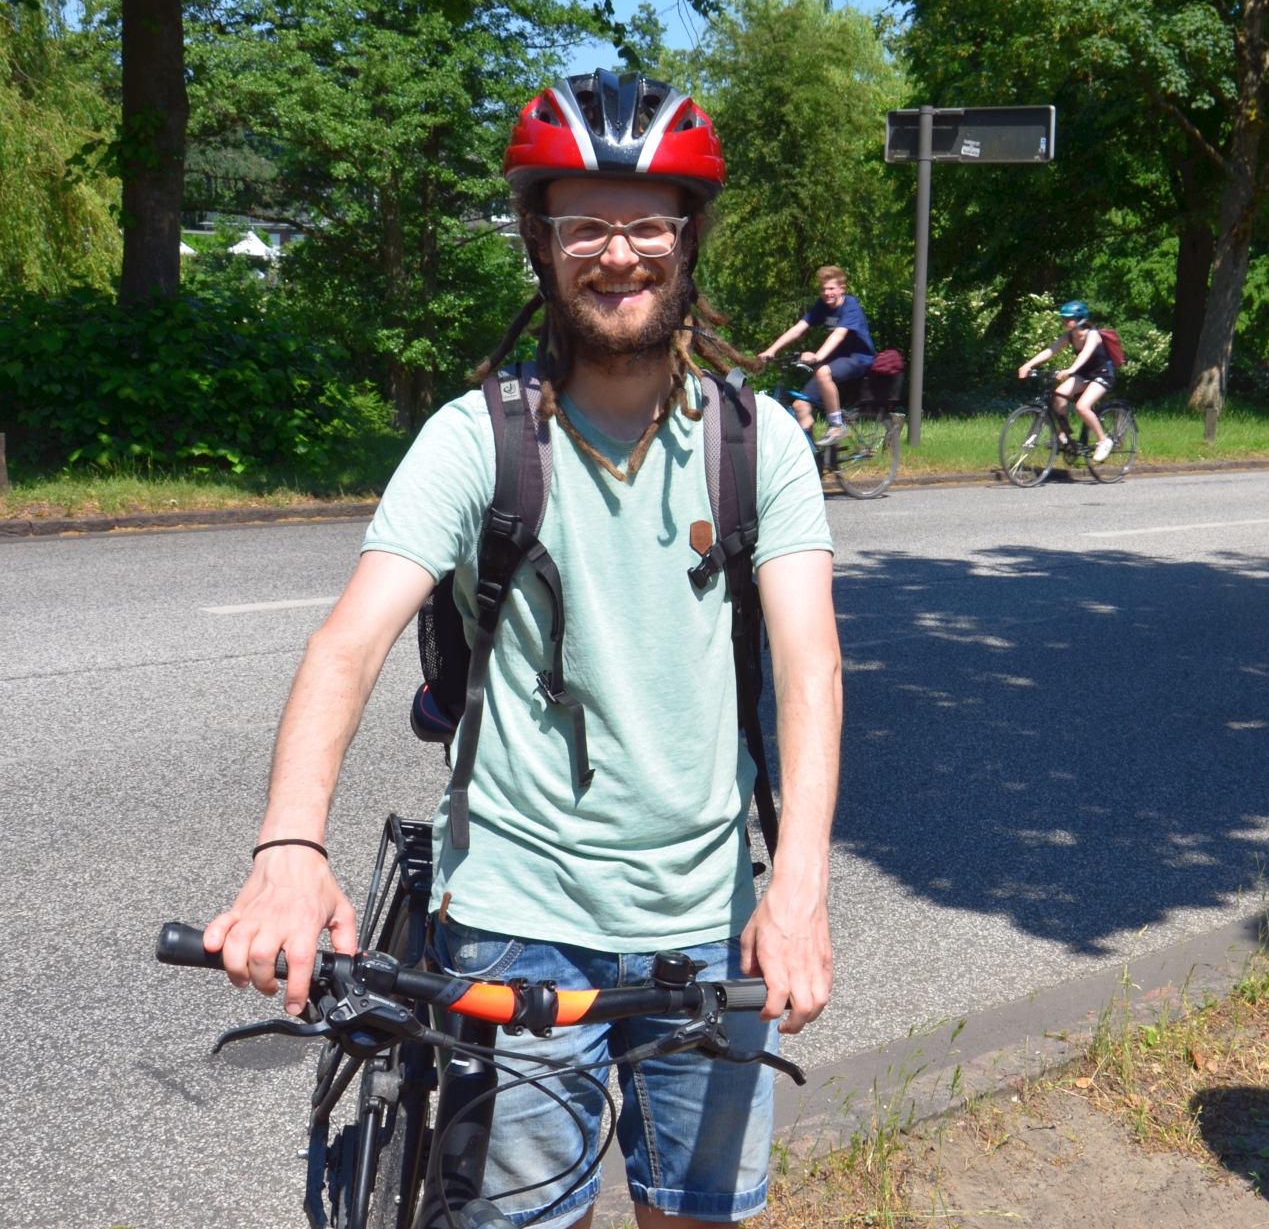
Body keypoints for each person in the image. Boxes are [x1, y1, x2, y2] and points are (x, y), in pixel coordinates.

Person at [202, 70, 842, 1228]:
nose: (617, 253)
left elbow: (810, 664)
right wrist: (288, 846)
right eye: (582, 224)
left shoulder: (760, 441)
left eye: (646, 219)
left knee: (700, 1216)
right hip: (516, 910)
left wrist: (795, 886)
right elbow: (348, 640)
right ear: (539, 244)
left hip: (705, 913)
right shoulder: (475, 437)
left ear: (688, 237)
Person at [759, 266, 876, 446]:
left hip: (858, 358)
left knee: (821, 371)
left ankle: (837, 425)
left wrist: (817, 356)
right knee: (800, 406)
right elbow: (799, 328)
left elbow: (838, 334)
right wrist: (771, 350)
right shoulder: (821, 306)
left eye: (831, 288)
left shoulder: (850, 306)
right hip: (835, 360)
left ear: (842, 289)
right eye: (823, 289)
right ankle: (814, 460)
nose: (826, 293)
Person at [1016, 300, 1116, 462]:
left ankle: (1104, 440)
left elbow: (1085, 354)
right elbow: (1050, 351)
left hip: (1103, 374)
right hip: (1084, 374)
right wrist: (1028, 365)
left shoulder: (1092, 335)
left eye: (1068, 318)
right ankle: (1063, 434)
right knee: (1059, 394)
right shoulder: (1068, 336)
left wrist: (1070, 370)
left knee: (1082, 407)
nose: (1064, 321)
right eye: (1064, 318)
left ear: (1080, 319)